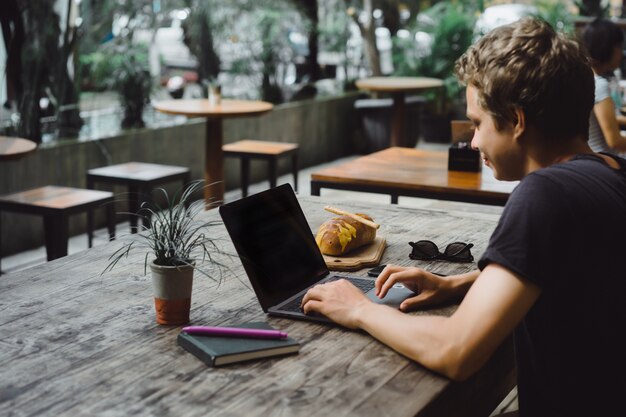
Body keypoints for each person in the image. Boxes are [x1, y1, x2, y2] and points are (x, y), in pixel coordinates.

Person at [302, 18, 626, 417]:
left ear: (517, 120)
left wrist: (357, 309)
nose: (473, 142)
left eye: (477, 123)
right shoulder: (613, 171)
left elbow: (456, 351)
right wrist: (463, 284)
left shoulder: (546, 195)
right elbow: (574, 266)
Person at [582, 18, 626, 153]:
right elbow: (614, 142)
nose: (621, 53)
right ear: (608, 48)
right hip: (604, 164)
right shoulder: (599, 85)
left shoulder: (584, 78)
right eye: (619, 46)